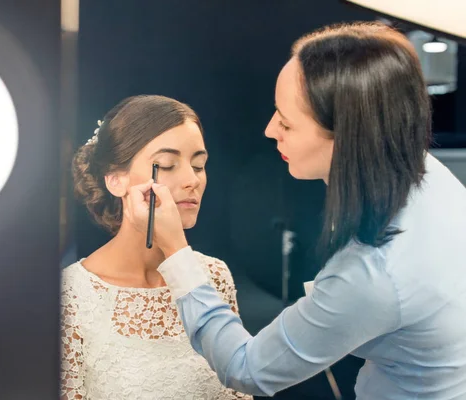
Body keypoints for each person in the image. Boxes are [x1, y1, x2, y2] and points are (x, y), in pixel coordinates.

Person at [124, 22, 466, 399]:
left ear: (348, 136)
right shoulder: (423, 170)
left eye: (287, 123)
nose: (271, 130)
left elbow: (246, 368)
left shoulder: (373, 273)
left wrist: (176, 253)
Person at [60, 95, 252, 399]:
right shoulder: (70, 296)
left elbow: (241, 382)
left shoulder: (213, 276)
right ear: (115, 179)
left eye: (199, 165)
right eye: (166, 165)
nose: (192, 180)